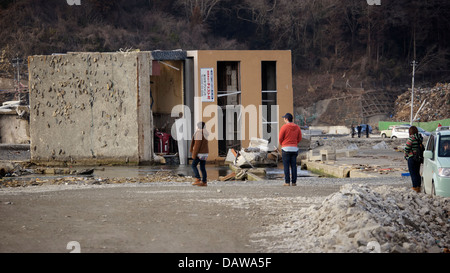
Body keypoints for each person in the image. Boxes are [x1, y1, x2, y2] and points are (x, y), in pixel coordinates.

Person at [279, 113, 302, 186]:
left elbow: (280, 138)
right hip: (294, 149)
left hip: (285, 148)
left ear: (286, 119)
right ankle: (294, 182)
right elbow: (300, 138)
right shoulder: (297, 127)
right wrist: (295, 143)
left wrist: (282, 144)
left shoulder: (284, 127)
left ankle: (287, 182)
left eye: (284, 118)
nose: (284, 120)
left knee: (286, 166)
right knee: (293, 166)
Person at [404, 126, 423, 193]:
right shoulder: (420, 138)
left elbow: (406, 148)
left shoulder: (411, 138)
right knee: (417, 172)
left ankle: (415, 187)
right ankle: (419, 186)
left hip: (412, 157)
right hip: (418, 158)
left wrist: (406, 156)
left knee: (413, 173)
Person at [190, 121, 209, 187]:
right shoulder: (205, 133)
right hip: (205, 153)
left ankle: (198, 179)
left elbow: (197, 145)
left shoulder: (199, 133)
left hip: (200, 153)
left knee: (193, 165)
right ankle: (204, 182)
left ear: (198, 127)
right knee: (202, 167)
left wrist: (194, 155)